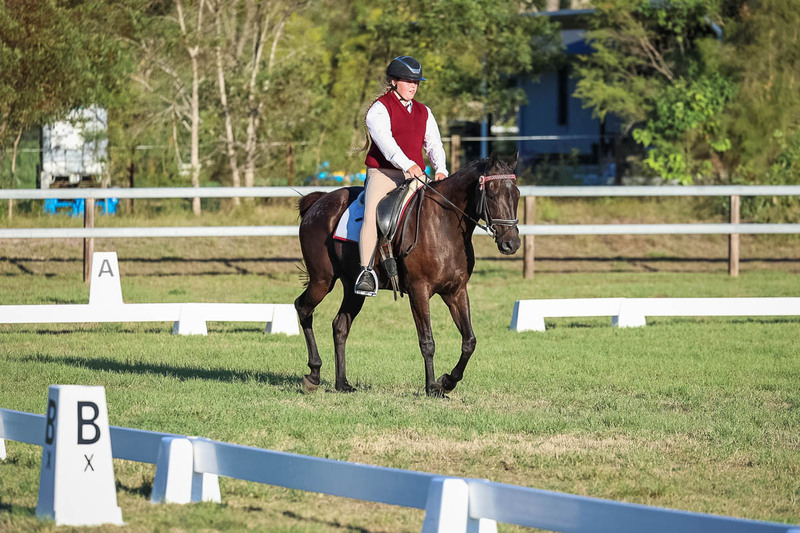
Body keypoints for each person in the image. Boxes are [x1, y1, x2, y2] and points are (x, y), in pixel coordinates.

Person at [355, 56, 449, 297]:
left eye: (416, 82)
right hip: (384, 173)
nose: (413, 86)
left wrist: (441, 169)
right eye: (408, 81)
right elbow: (388, 145)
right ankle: (365, 272)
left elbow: (434, 144)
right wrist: (409, 165)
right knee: (371, 214)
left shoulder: (424, 111)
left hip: (415, 175)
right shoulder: (379, 109)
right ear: (393, 81)